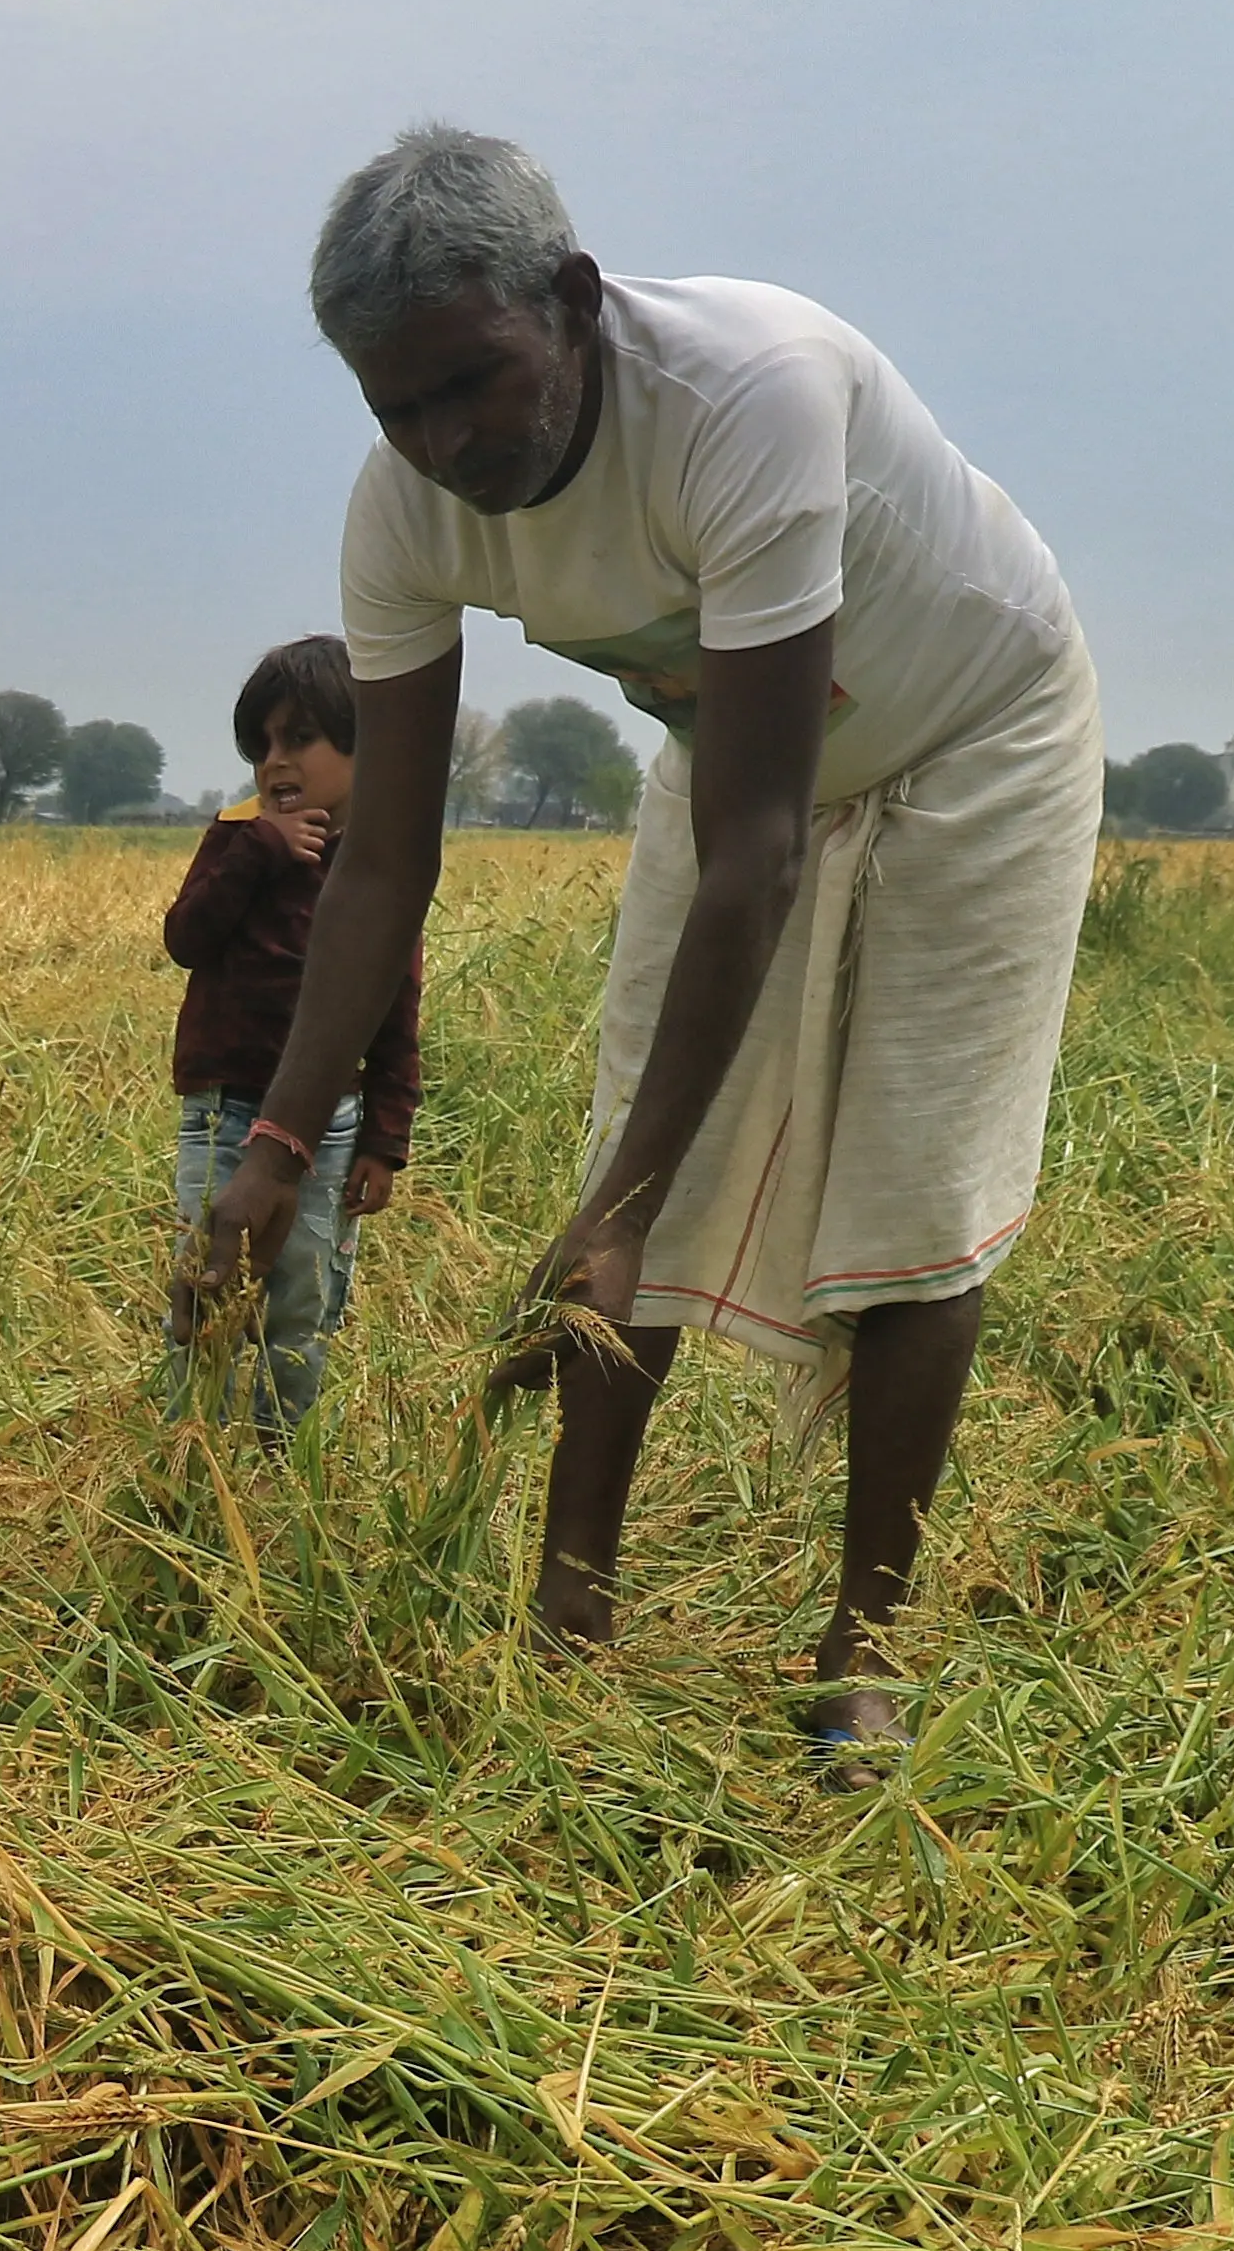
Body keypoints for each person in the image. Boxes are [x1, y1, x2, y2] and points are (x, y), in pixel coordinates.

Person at [191, 126, 1095, 1776]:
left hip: (970, 730)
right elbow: (384, 856)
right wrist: (273, 1147)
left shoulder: (750, 399)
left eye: (476, 380)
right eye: (398, 407)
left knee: (911, 1176)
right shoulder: (406, 510)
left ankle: (861, 1650)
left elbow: (753, 848)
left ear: (577, 302)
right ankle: (567, 1613)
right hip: (737, 753)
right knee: (641, 1164)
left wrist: (605, 1211)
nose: (450, 441)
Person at [155, 633, 421, 1428]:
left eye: (299, 739)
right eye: (262, 743)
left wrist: (384, 1136)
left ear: (362, 743)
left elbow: (396, 1005)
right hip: (223, 1112)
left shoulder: (381, 859)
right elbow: (186, 940)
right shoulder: (238, 837)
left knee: (300, 1305)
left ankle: (278, 1459)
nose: (275, 761)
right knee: (206, 1289)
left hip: (331, 1130)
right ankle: (189, 1452)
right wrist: (262, 855)